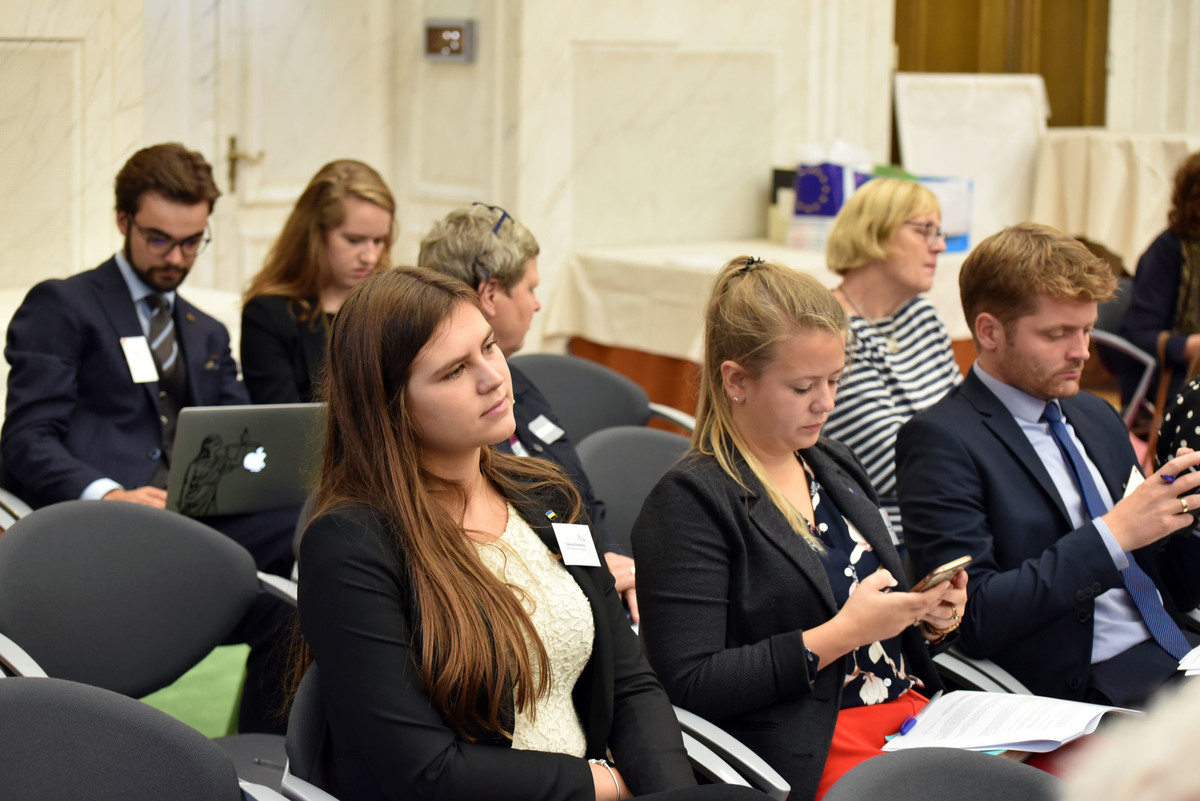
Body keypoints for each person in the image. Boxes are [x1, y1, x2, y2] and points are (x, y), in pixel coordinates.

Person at [294, 267, 763, 801]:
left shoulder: (547, 498)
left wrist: (668, 795)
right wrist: (608, 783)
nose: (493, 376)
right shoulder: (352, 544)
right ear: (390, 405)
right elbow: (424, 772)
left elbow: (631, 683)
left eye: (489, 347)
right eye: (453, 371)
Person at [632, 256, 967, 801]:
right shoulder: (691, 501)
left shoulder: (830, 463)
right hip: (812, 743)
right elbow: (689, 683)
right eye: (803, 387)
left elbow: (873, 618)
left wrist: (928, 618)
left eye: (835, 380)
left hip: (912, 718)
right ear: (736, 381)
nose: (827, 403)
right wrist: (840, 636)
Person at [0, 143, 295, 733]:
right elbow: (27, 439)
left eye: (192, 242)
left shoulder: (206, 331)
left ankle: (268, 759)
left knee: (313, 559)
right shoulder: (66, 305)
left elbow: (240, 436)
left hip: (190, 518)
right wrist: (107, 495)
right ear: (123, 221)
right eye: (159, 239)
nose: (176, 258)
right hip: (101, 526)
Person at [897, 223, 1200, 708]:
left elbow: (1173, 584)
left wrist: (1188, 518)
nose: (1082, 352)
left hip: (1178, 651)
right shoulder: (940, 440)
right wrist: (1113, 534)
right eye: (1057, 334)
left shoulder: (1095, 414)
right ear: (989, 331)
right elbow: (973, 618)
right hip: (1092, 686)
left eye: (1086, 329)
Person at [418, 203, 640, 620]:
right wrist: (594, 573)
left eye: (489, 352)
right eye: (531, 289)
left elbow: (581, 499)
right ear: (489, 295)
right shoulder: (453, 426)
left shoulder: (518, 382)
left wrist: (616, 566)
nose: (538, 305)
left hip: (598, 591)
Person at [823, 178, 961, 546]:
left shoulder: (921, 316)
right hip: (895, 537)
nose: (941, 245)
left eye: (939, 231)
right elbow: (893, 468)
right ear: (874, 234)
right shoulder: (832, 333)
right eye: (924, 231)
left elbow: (972, 420)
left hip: (956, 509)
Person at [241, 159, 395, 404]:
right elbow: (281, 425)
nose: (370, 257)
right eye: (354, 240)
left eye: (379, 241)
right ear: (314, 235)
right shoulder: (268, 314)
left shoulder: (393, 304)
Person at [1117, 150, 1200, 406]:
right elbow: (1137, 335)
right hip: (1176, 379)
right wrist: (1190, 346)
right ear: (1192, 202)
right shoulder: (1166, 252)